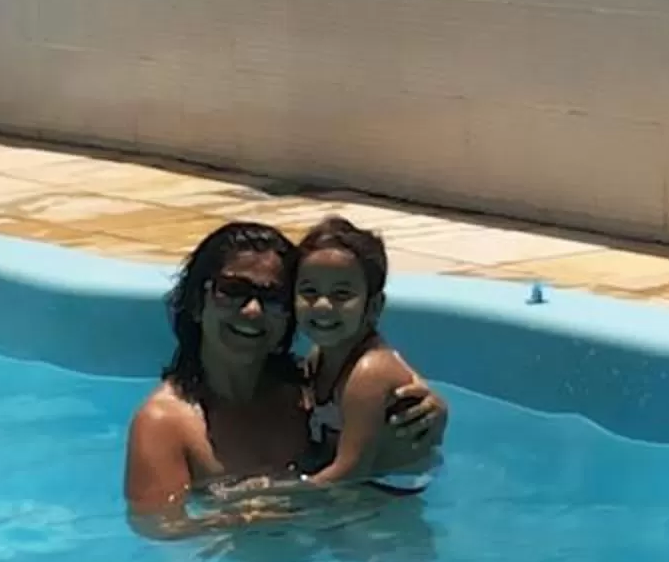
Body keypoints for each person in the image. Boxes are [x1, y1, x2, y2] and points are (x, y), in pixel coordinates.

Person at [122, 222, 446, 538]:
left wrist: (431, 406)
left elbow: (379, 375)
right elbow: (156, 527)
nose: (251, 310)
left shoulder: (305, 389)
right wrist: (234, 520)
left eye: (273, 298)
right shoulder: (164, 423)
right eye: (233, 291)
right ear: (196, 301)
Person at [290, 216, 434, 496]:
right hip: (358, 492)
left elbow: (351, 470)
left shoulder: (370, 372)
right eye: (309, 291)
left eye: (341, 294)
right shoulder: (319, 357)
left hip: (386, 500)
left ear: (374, 306)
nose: (322, 305)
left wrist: (274, 498)